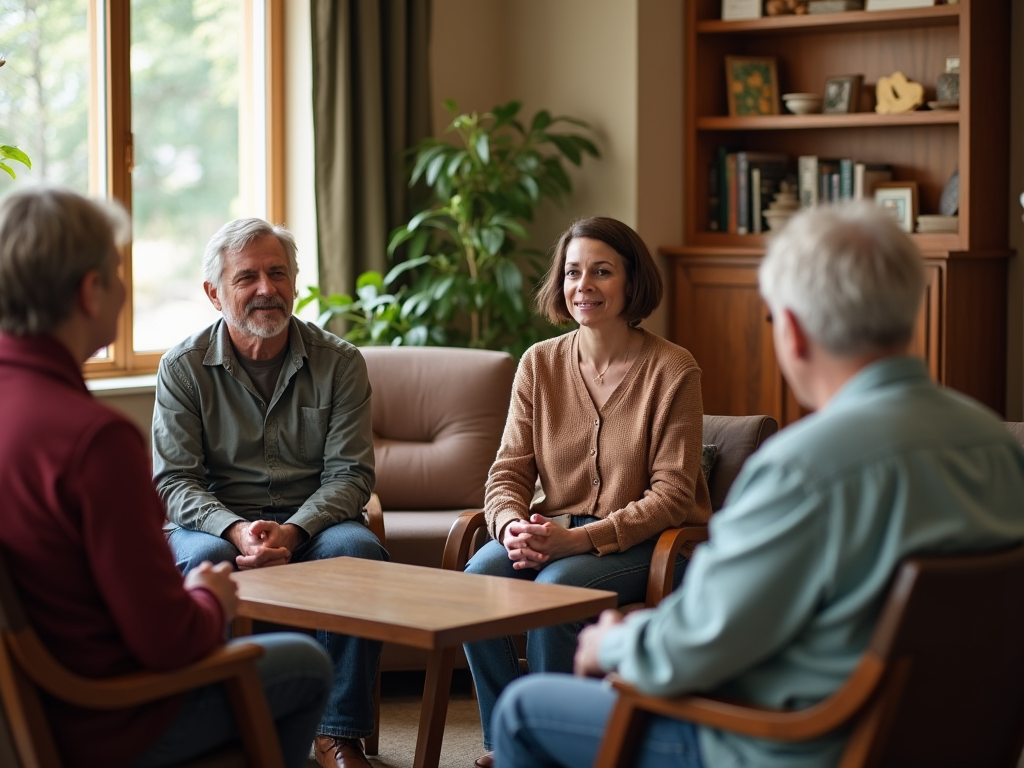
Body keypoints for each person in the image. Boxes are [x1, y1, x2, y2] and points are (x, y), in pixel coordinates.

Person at [489, 201, 1024, 768]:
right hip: (947, 743)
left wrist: (615, 642)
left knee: (526, 708)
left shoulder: (801, 470)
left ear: (791, 330)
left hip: (791, 743)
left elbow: (703, 641)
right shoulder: (1000, 448)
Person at [0, 186, 333, 768]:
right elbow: (168, 639)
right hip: (112, 716)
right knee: (304, 667)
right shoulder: (93, 440)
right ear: (89, 290)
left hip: (26, 709)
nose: (125, 290)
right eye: (116, 271)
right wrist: (209, 598)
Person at [464, 216, 713, 767]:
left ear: (632, 282)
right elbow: (507, 471)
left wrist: (576, 542)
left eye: (602, 272)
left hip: (648, 540)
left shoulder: (673, 370)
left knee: (557, 587)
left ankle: (557, 745)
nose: (584, 286)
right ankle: (508, 737)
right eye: (573, 272)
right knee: (479, 579)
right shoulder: (539, 363)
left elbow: (672, 495)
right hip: (553, 531)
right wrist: (511, 527)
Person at [151, 217, 386, 768]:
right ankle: (223, 727)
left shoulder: (341, 362)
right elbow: (173, 482)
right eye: (247, 277)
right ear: (215, 294)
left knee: (359, 552)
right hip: (215, 523)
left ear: (296, 282)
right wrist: (235, 529)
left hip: (314, 524)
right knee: (206, 558)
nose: (266, 289)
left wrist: (294, 528)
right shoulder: (182, 368)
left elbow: (351, 475)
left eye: (277, 273)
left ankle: (338, 733)